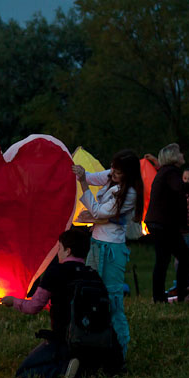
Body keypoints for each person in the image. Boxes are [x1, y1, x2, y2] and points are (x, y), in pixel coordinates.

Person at [1, 228, 123, 378]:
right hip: (98, 341)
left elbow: (34, 307)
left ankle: (63, 370)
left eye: (59, 248)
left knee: (24, 372)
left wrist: (13, 301)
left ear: (68, 250)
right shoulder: (93, 274)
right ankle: (89, 369)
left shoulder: (55, 271)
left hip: (66, 340)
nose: (58, 253)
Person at [71, 149, 141, 358]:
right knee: (91, 296)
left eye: (118, 172)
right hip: (97, 244)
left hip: (112, 250)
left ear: (128, 175)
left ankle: (121, 349)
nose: (112, 173)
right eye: (112, 168)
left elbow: (98, 212)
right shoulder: (111, 177)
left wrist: (83, 183)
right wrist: (81, 173)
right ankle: (95, 344)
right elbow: (94, 177)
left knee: (113, 300)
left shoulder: (129, 193)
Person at [144, 143, 189, 302]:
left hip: (158, 222)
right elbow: (180, 187)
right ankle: (181, 293)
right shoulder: (171, 172)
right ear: (173, 157)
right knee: (184, 256)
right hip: (163, 223)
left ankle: (160, 297)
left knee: (163, 259)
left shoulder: (164, 172)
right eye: (179, 153)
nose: (182, 155)